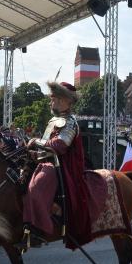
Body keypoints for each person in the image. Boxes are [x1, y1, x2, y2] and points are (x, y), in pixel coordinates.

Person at [16, 81, 89, 248]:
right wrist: (34, 153)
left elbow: (60, 146)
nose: (50, 102)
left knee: (34, 189)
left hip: (58, 165)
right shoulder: (54, 120)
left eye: (52, 99)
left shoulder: (69, 121)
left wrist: (36, 141)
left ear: (63, 101)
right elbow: (47, 146)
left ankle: (36, 232)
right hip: (44, 161)